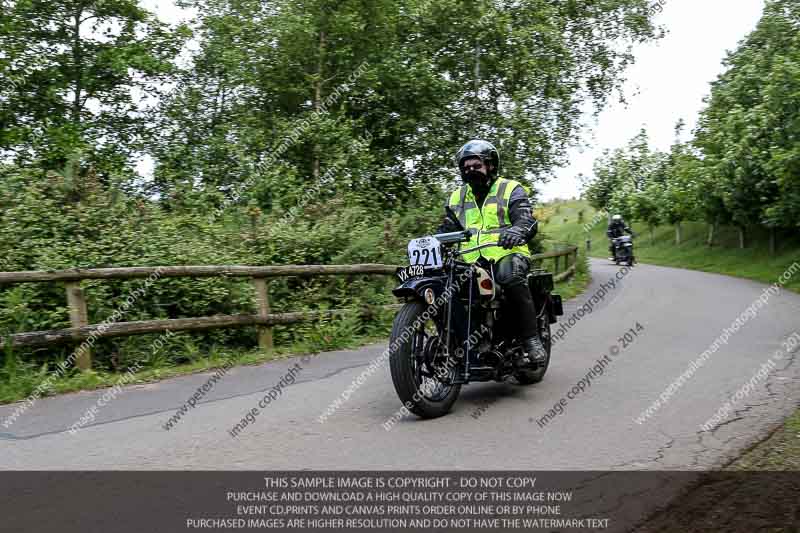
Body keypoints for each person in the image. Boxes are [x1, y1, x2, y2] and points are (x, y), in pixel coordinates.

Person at [436, 139, 546, 366]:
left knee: (509, 276)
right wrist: (436, 240)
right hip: (471, 260)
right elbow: (448, 227)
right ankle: (462, 340)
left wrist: (517, 230)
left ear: (491, 165)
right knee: (445, 283)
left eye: (476, 165)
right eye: (465, 167)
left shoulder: (510, 189)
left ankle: (531, 339)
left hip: (508, 253)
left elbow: (526, 219)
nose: (470, 170)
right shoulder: (457, 197)